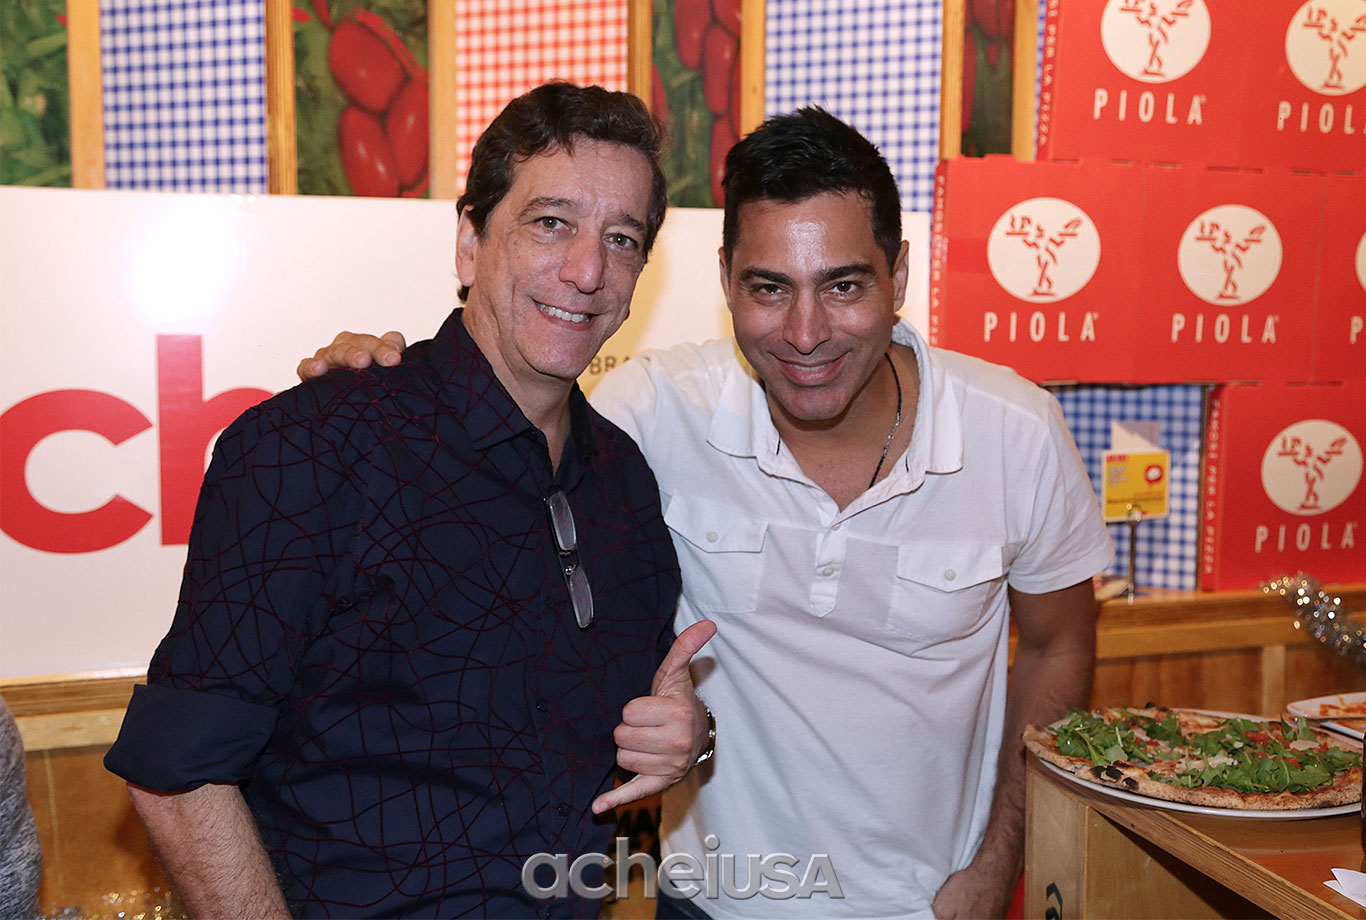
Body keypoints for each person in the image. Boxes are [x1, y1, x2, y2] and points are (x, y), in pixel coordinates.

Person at [302, 107, 1114, 919]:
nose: (806, 333)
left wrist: (999, 863)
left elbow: (1060, 642)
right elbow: (490, 423)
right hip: (707, 903)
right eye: (769, 288)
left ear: (897, 277)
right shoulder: (651, 410)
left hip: (933, 907)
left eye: (843, 286)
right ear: (725, 279)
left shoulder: (1014, 431)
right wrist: (379, 386)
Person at [105, 82, 716, 919]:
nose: (586, 270)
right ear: (470, 242)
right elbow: (176, 775)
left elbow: (629, 738)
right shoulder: (315, 446)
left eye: (622, 239)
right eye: (551, 223)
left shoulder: (623, 482)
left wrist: (690, 738)